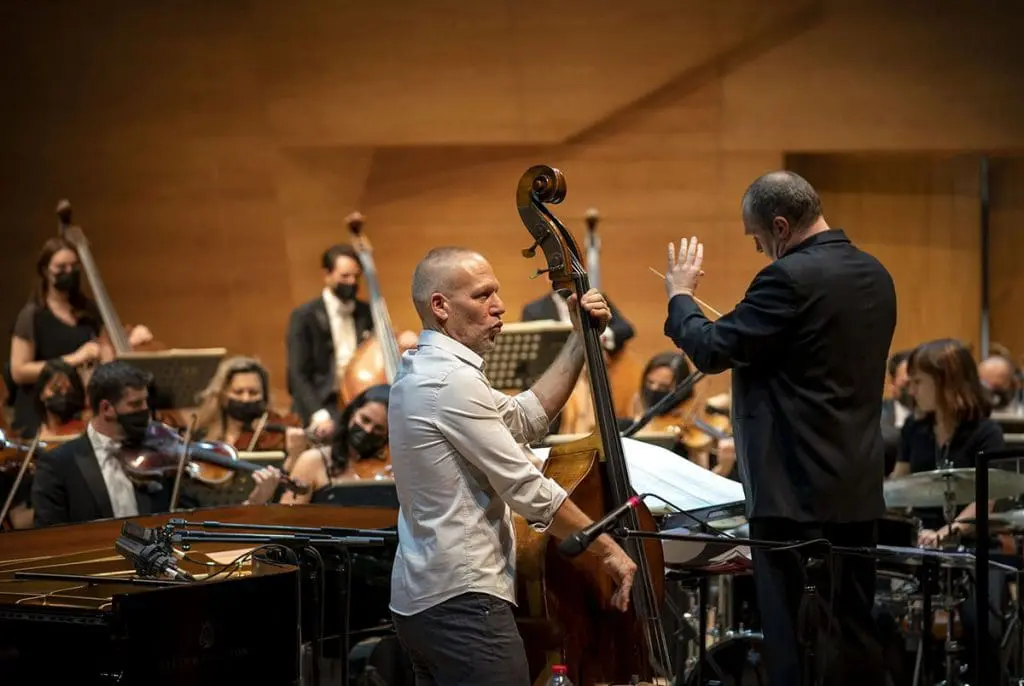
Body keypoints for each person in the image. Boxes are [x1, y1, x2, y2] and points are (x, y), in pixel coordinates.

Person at [662, 170, 896, 686]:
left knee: (794, 648)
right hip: (855, 495)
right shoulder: (875, 273)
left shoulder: (787, 278)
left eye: (758, 238)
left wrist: (681, 297)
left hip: (793, 501)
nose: (759, 250)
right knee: (849, 639)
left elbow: (711, 349)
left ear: (782, 226)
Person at [388, 247, 637, 686]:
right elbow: (526, 488)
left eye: (496, 293)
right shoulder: (450, 381)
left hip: (424, 603)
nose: (499, 306)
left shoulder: (425, 370)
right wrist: (607, 550)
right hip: (464, 607)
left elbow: (527, 417)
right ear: (441, 306)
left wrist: (580, 339)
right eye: (483, 296)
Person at [31, 360, 278, 527]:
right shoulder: (59, 465)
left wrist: (253, 503)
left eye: (145, 402)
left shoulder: (159, 456)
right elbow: (51, 539)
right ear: (107, 408)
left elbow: (199, 518)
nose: (146, 412)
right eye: (136, 405)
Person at [890, 339, 1008, 684]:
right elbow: (898, 484)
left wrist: (948, 532)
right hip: (921, 545)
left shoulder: (986, 433)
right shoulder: (914, 429)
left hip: (973, 548)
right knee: (881, 613)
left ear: (945, 381)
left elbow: (985, 502)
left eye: (918, 381)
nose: (911, 389)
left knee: (981, 625)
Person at [9, 237, 153, 436]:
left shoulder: (88, 310)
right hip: (45, 412)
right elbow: (18, 370)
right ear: (45, 270)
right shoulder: (33, 315)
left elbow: (107, 352)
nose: (69, 272)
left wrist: (129, 342)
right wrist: (74, 359)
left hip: (82, 408)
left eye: (74, 266)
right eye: (61, 267)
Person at [286, 244, 374, 437]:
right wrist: (319, 415)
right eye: (344, 276)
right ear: (326, 274)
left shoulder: (366, 313)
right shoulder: (305, 316)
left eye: (356, 277)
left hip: (358, 403)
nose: (351, 282)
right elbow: (297, 375)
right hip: (322, 405)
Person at [628, 351, 736, 478]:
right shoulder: (634, 421)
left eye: (664, 387)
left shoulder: (690, 438)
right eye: (650, 383)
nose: (654, 389)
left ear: (682, 390)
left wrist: (723, 469)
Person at [281, 384, 390, 505]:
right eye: (365, 420)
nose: (368, 430)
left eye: (378, 428)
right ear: (352, 414)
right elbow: (287, 517)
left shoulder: (391, 469)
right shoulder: (313, 460)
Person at [881, 350, 912, 475]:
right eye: (907, 384)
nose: (913, 391)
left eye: (917, 381)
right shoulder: (879, 415)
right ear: (892, 384)